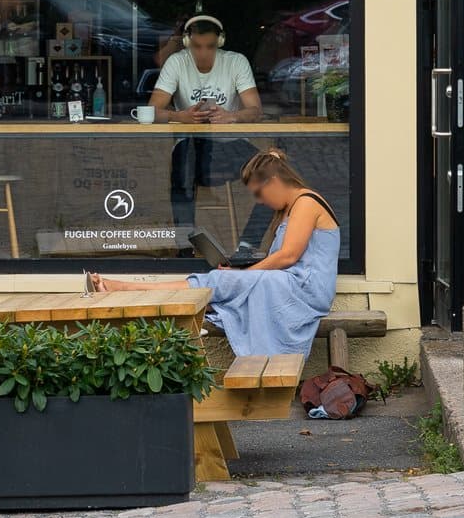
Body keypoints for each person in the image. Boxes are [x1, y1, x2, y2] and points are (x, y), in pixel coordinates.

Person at [91, 148, 338, 360]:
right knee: (222, 288)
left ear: (273, 181)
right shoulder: (290, 208)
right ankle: (140, 293)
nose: (259, 202)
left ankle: (125, 289)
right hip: (289, 285)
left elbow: (288, 256)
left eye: (258, 194)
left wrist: (245, 276)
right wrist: (241, 274)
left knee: (221, 283)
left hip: (306, 290)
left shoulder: (306, 202)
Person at [151, 15, 263, 125]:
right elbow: (152, 112)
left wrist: (231, 116)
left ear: (220, 42)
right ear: (187, 42)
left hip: (232, 140)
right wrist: (179, 116)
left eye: (210, 46)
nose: (203, 53)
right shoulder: (176, 62)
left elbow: (257, 112)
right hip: (189, 141)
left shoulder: (236, 62)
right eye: (197, 46)